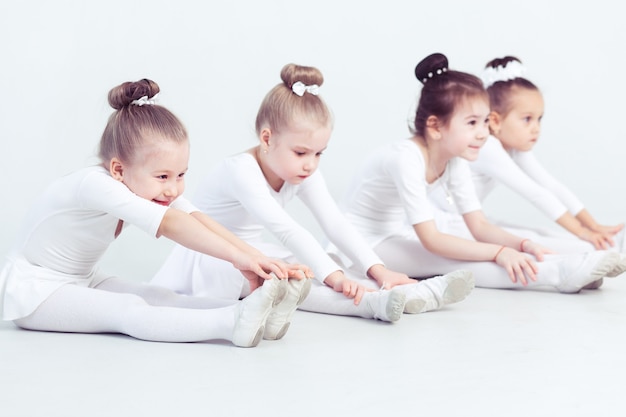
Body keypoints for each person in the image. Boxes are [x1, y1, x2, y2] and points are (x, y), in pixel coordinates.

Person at [152, 63, 475, 324]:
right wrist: (334, 278)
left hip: (254, 251)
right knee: (294, 277)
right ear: (267, 139)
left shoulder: (299, 170)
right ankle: (371, 303)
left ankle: (394, 288)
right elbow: (286, 229)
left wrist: (378, 269)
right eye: (302, 152)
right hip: (214, 258)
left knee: (322, 262)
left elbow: (334, 223)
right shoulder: (241, 171)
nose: (310, 164)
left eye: (319, 154)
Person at [0, 79, 310, 348]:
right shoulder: (94, 184)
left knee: (160, 296)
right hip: (36, 291)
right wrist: (238, 258)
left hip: (83, 280)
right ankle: (231, 322)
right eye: (163, 177)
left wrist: (258, 258)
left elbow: (196, 219)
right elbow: (173, 224)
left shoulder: (145, 185)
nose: (173, 189)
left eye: (180, 175)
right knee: (128, 309)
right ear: (118, 169)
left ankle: (259, 314)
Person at [338, 53, 626, 293]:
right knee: (453, 261)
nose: (483, 133)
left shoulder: (457, 157)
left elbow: (480, 226)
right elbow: (432, 240)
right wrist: (499, 252)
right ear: (436, 126)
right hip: (365, 246)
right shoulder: (405, 159)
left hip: (400, 233)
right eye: (473, 122)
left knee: (507, 242)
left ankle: (576, 260)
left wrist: (521, 245)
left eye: (485, 121)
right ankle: (556, 273)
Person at [472, 55, 624, 255]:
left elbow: (552, 187)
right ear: (495, 121)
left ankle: (609, 244)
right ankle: (608, 248)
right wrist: (582, 232)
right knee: (546, 241)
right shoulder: (487, 147)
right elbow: (535, 193)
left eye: (539, 119)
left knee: (542, 232)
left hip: (468, 220)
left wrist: (593, 226)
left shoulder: (515, 147)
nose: (536, 128)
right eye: (527, 119)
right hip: (448, 224)